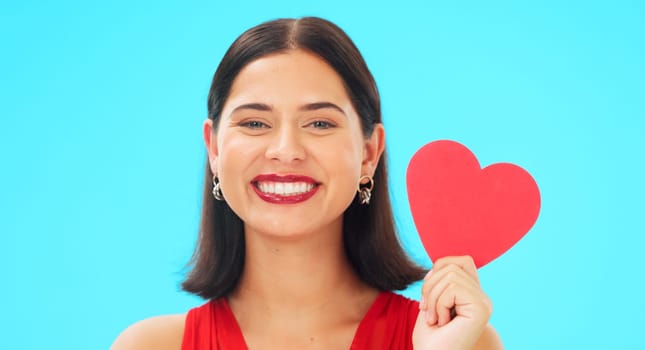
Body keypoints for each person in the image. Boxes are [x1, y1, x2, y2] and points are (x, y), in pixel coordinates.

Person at [112, 17, 502, 350]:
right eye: (254, 123)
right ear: (213, 148)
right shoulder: (150, 345)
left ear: (369, 152)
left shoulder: (461, 339)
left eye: (320, 123)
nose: (286, 151)